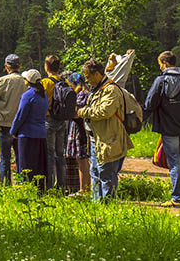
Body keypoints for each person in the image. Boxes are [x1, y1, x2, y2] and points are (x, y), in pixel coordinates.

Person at [144, 50, 180, 207]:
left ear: (165, 64)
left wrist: (141, 119)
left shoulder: (160, 81)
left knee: (174, 162)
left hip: (168, 127)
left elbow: (150, 103)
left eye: (160, 65)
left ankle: (177, 198)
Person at [76, 59, 133, 202]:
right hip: (97, 139)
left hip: (109, 139)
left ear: (97, 74)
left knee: (106, 174)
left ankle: (108, 206)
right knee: (95, 172)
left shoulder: (111, 89)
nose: (87, 80)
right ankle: (97, 206)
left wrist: (84, 112)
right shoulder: (98, 89)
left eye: (88, 76)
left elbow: (104, 111)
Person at [0, 53, 29, 186]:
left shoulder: (3, 81)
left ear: (6, 66)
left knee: (5, 158)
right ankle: (21, 185)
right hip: (21, 125)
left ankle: (5, 186)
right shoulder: (25, 81)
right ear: (20, 66)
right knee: (21, 157)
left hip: (4, 124)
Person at [10, 69, 49, 191]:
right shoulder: (43, 95)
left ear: (28, 81)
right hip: (41, 133)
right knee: (39, 165)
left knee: (26, 164)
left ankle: (26, 188)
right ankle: (40, 189)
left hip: (27, 134)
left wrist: (13, 130)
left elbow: (20, 115)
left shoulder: (27, 95)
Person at [39, 54, 68, 191]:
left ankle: (50, 185)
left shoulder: (45, 82)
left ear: (46, 67)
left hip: (49, 119)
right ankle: (62, 186)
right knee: (60, 154)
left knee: (50, 153)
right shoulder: (65, 82)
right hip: (62, 120)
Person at [64, 71, 91, 195]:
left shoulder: (81, 95)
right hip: (80, 129)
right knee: (81, 160)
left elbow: (76, 113)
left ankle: (84, 189)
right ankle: (84, 188)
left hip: (79, 130)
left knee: (82, 160)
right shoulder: (86, 93)